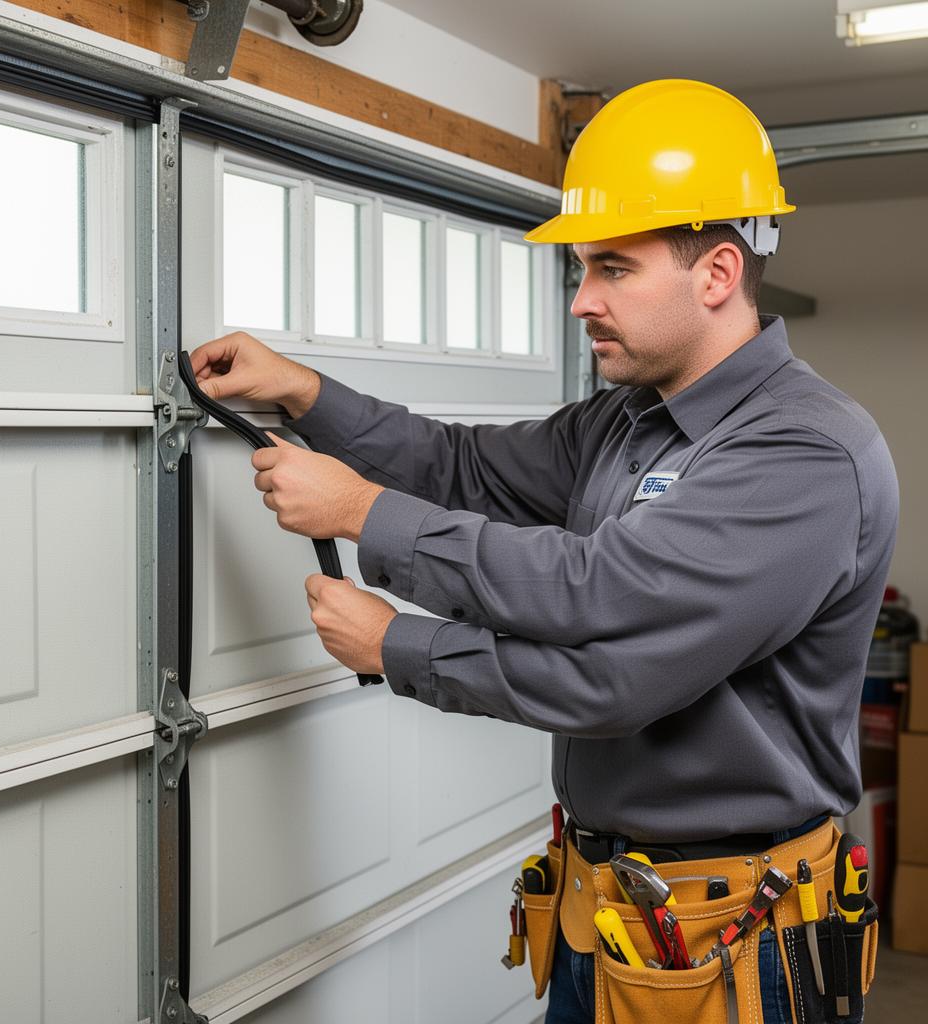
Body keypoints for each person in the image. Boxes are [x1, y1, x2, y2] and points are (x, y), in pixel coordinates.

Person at [191, 80, 896, 1024]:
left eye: (612, 268)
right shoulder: (627, 422)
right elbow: (462, 465)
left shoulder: (803, 454)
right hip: (603, 912)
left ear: (718, 272)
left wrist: (389, 612)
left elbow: (605, 631)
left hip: (735, 942)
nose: (582, 301)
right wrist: (306, 393)